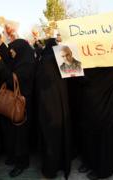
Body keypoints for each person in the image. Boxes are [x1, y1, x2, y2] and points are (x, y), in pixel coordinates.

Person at [0, 38, 36, 177]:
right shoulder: (19, 60)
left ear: (21, 50)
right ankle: (14, 157)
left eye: (13, 49)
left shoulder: (27, 64)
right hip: (13, 102)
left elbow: (12, 79)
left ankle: (22, 163)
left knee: (20, 136)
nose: (11, 52)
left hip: (22, 104)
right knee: (12, 133)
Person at [35, 38, 72, 179]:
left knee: (50, 135)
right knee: (61, 132)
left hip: (47, 103)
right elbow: (73, 72)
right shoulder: (61, 56)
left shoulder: (44, 59)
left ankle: (51, 168)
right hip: (61, 100)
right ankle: (63, 163)